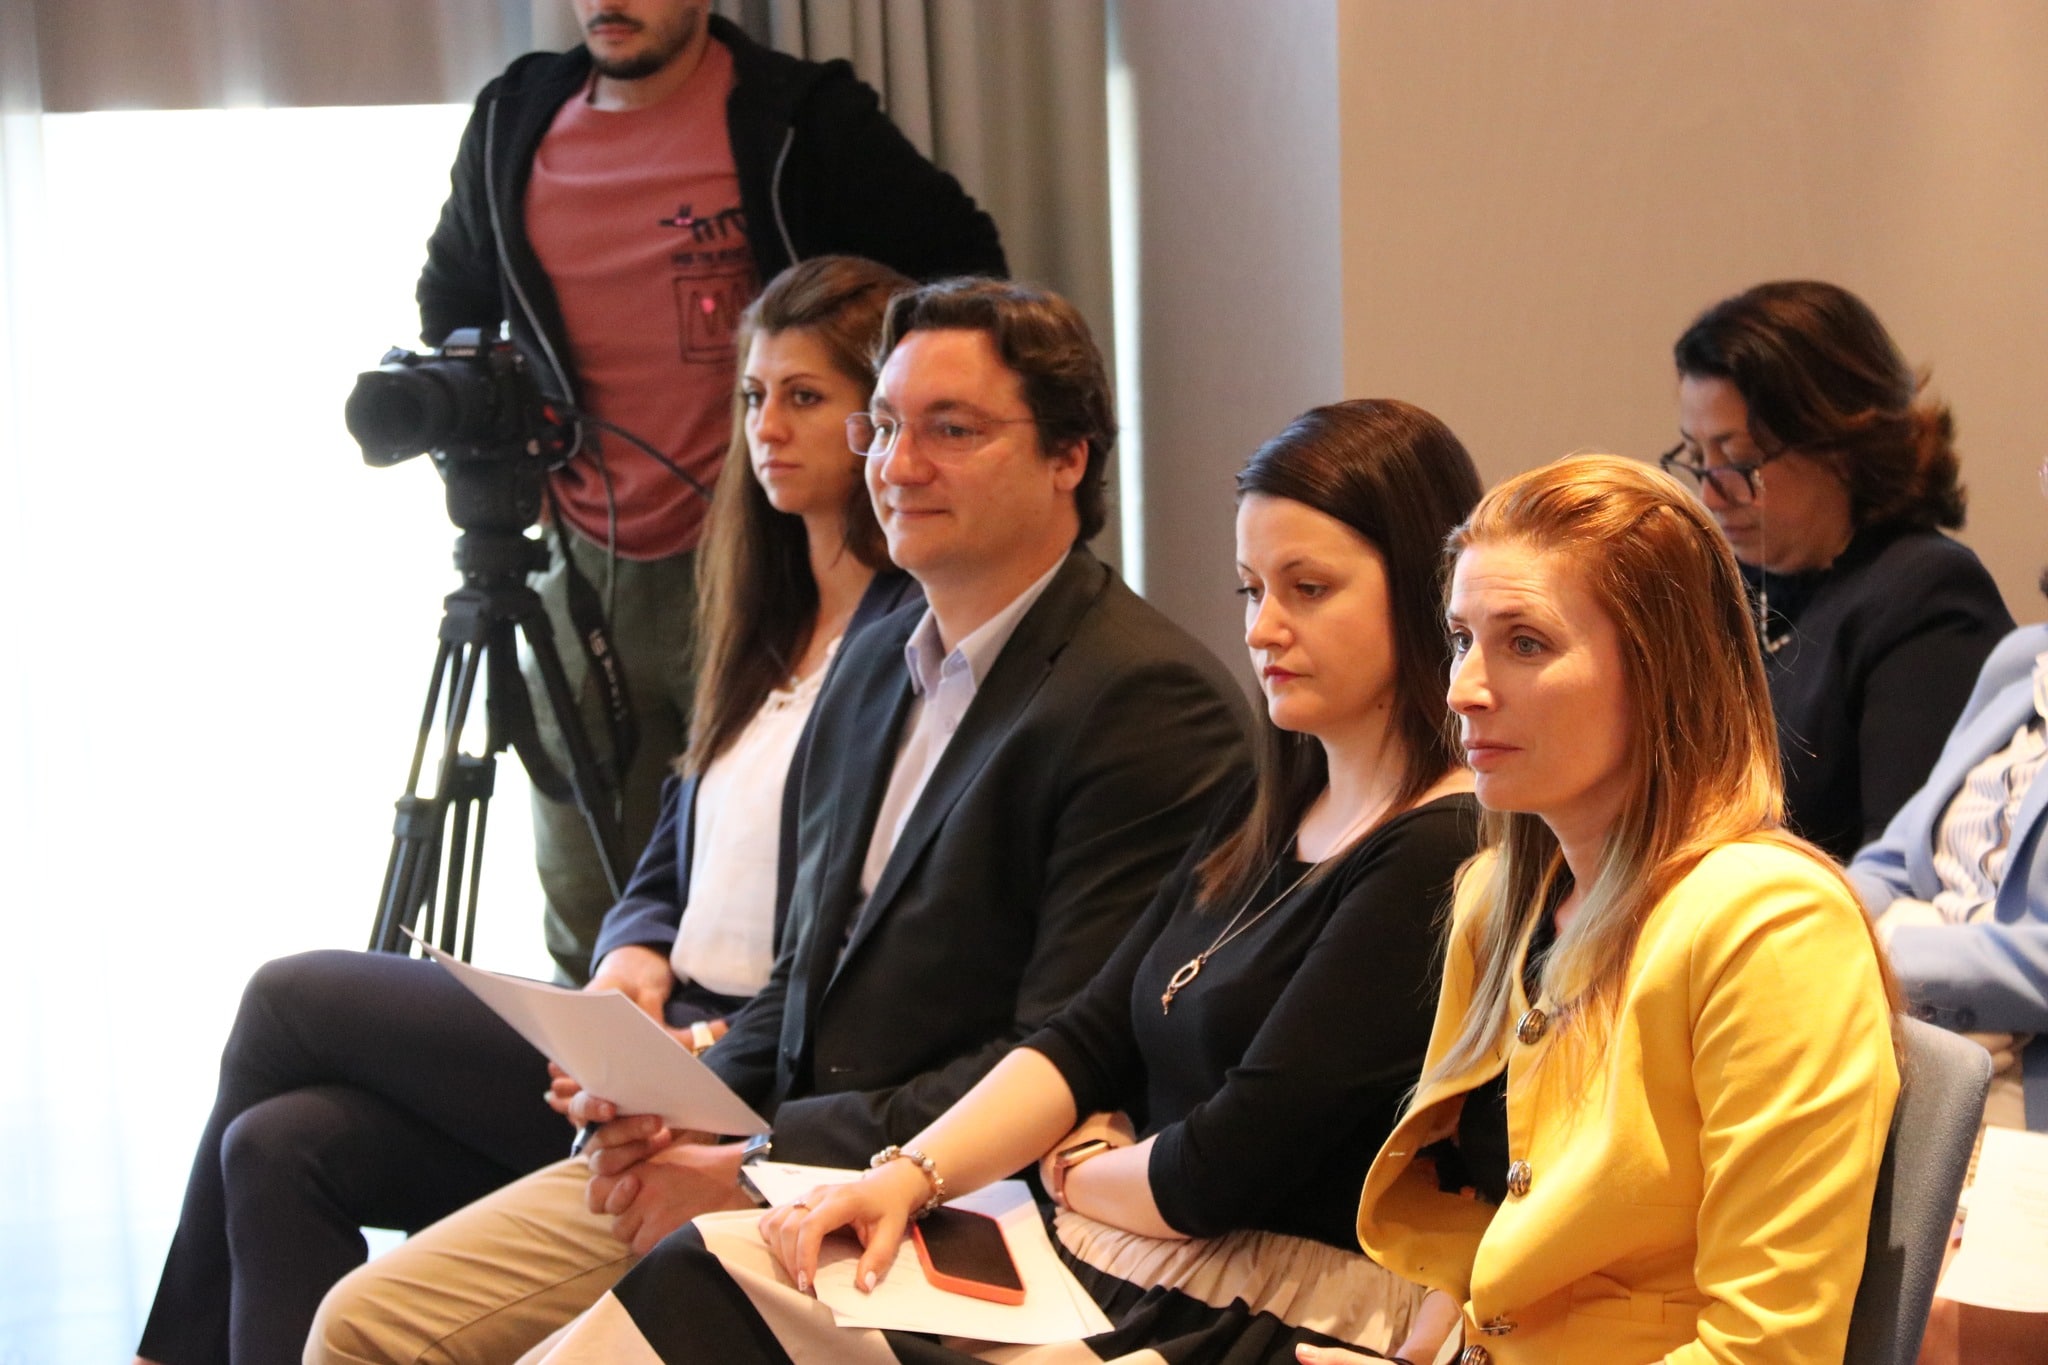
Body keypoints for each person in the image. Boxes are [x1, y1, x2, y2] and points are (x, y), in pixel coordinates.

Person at [305, 278, 1252, 1364]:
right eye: (884, 426)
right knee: (362, 1322)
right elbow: (806, 980)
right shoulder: (873, 659)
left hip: (946, 1197)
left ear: (1067, 456)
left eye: (950, 430)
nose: (896, 466)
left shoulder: (1141, 700)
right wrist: (672, 1104)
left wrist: (749, 1160)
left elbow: (1062, 1051)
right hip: (765, 1149)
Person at [510, 398, 1489, 1365]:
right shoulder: (1269, 805)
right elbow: (1087, 1036)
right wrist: (908, 1177)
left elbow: (1219, 1168)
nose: (1263, 628)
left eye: (1307, 589)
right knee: (728, 1266)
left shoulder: (1435, 851)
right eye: (1249, 589)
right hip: (1120, 1248)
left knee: (727, 1290)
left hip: (1255, 1304)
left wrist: (1077, 1171)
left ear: (1424, 595)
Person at [131, 254, 916, 1365]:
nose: (767, 428)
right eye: (752, 396)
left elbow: (857, 927)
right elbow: (667, 859)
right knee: (276, 1140)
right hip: (645, 1028)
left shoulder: (905, 642)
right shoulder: (761, 621)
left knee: (288, 996)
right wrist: (628, 962)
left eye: (804, 396)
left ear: (879, 421)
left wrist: (688, 1040)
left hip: (736, 1062)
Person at [423, 0, 1008, 981]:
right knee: (593, 913)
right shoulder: (511, 124)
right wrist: (516, 435)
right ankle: (604, 1077)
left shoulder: (799, 120)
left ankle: (743, 1070)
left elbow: (966, 272)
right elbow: (451, 303)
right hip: (585, 563)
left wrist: (878, 426)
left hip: (775, 565)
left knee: (770, 895)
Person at [1348, 454, 1902, 1365]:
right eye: (1461, 638)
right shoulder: (1500, 899)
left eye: (1526, 643)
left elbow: (1765, 1352)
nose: (1463, 688)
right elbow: (1494, 1250)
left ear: (1661, 670)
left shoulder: (1772, 929)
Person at [1663, 280, 2012, 862]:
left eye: (1739, 458)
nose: (1710, 494)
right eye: (1698, 458)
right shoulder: (1730, 593)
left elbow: (1909, 864)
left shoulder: (1925, 594)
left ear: (1841, 442)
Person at [1847, 458, 2048, 1365]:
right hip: (1913, 1048)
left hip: (2023, 1097)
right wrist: (1821, 925)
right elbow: (1896, 857)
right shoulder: (2018, 663)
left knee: (1931, 1327)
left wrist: (1894, 953)